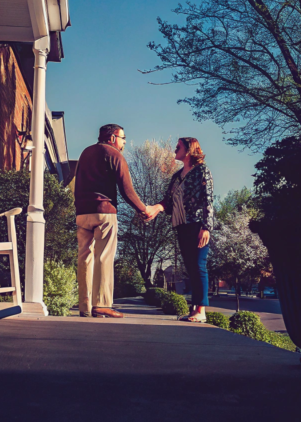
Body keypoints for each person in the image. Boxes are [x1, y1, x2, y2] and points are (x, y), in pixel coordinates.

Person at [74, 124, 159, 318]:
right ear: (113, 138)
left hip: (82, 212)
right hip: (104, 212)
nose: (124, 144)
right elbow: (126, 190)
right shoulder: (114, 154)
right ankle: (102, 304)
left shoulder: (85, 153)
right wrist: (144, 210)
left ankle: (85, 306)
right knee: (103, 256)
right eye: (123, 139)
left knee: (84, 258)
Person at [151, 137, 215, 323]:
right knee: (191, 268)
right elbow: (167, 203)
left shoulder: (202, 171)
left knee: (198, 265)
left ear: (189, 150)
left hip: (197, 225)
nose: (174, 149)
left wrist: (206, 227)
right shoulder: (177, 176)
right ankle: (194, 309)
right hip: (180, 225)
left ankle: (201, 311)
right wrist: (155, 209)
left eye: (178, 146)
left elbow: (208, 200)